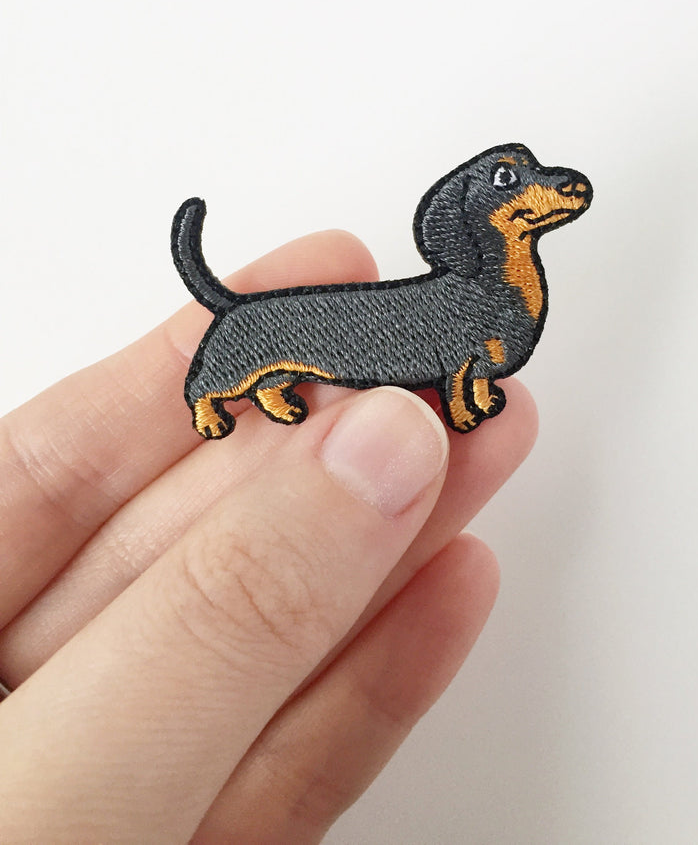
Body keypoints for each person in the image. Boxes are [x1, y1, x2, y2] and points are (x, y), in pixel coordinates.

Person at [0, 229, 537, 843]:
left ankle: (282, 388)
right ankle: (213, 398)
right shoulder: (285, 322)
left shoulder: (477, 300)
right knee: (243, 343)